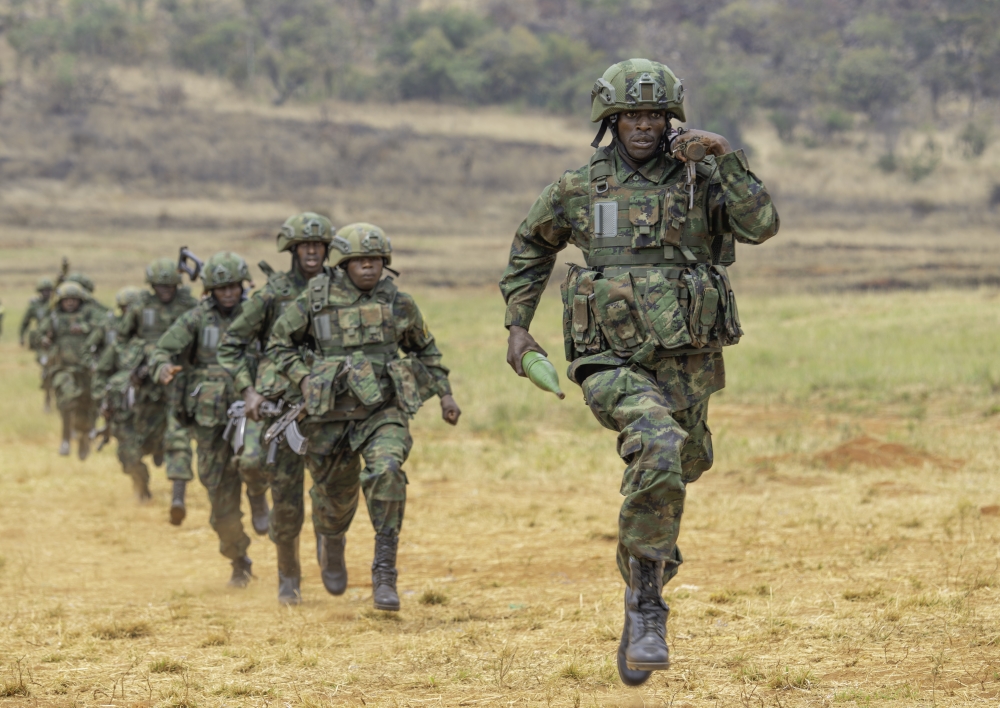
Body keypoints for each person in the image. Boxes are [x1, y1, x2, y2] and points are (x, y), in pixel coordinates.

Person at [499, 59, 779, 685]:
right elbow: (531, 244)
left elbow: (762, 226)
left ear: (671, 118)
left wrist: (725, 157)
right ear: (611, 121)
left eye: (655, 114)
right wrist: (519, 326)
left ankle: (642, 578)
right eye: (632, 115)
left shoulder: (701, 179)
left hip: (690, 362)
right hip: (611, 360)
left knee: (680, 470)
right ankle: (648, 607)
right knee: (656, 444)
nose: (644, 125)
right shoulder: (580, 187)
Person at [267, 222, 461, 608]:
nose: (369, 267)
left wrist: (445, 396)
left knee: (386, 472)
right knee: (333, 499)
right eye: (360, 261)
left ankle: (384, 574)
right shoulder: (315, 299)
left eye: (375, 260)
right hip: (328, 417)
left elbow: (426, 352)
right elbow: (278, 345)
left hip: (382, 411)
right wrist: (303, 377)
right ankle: (333, 538)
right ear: (343, 264)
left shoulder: (398, 303)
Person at [217, 212, 336, 596]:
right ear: (293, 250)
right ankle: (289, 579)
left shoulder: (341, 289)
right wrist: (248, 390)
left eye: (319, 245)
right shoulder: (272, 294)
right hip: (280, 406)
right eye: (306, 246)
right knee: (284, 497)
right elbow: (232, 344)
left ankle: (329, 552)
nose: (313, 252)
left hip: (329, 405)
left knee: (330, 491)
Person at [151, 252, 258, 587]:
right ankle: (238, 558)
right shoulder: (196, 319)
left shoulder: (258, 316)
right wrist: (163, 367)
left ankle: (259, 499)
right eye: (221, 287)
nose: (228, 293)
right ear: (211, 290)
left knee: (257, 465)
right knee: (220, 504)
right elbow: (162, 349)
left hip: (253, 413)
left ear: (243, 286)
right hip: (210, 425)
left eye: (234, 286)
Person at [96, 258, 197, 507]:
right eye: (160, 286)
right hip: (144, 381)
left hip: (180, 378)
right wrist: (137, 358)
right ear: (152, 286)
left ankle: (178, 494)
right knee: (132, 442)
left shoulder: (189, 306)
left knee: (178, 435)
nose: (165, 291)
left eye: (169, 286)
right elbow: (122, 338)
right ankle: (141, 486)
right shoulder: (140, 307)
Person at [37, 281, 104, 459]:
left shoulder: (90, 315)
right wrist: (44, 339)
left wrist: (84, 328)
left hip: (86, 370)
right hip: (62, 369)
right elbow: (37, 335)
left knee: (88, 406)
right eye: (66, 300)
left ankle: (84, 438)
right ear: (60, 301)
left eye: (74, 300)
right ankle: (65, 439)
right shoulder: (54, 318)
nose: (70, 303)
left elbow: (105, 325)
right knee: (67, 401)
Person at [20, 278, 56, 411]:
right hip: (42, 344)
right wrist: (21, 337)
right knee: (47, 371)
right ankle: (47, 402)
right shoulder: (35, 306)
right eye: (44, 291)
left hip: (57, 343)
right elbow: (25, 322)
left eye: (49, 290)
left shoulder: (57, 305)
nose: (46, 293)